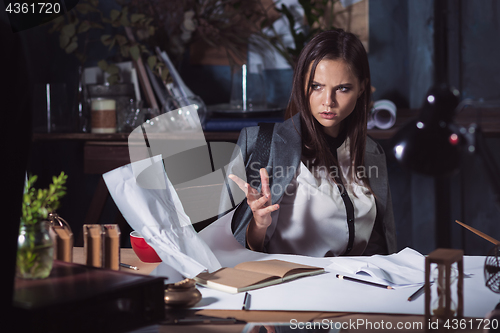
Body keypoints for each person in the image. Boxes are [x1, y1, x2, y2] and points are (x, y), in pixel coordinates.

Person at [223, 29, 397, 257]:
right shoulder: (263, 144)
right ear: (302, 85)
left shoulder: (371, 152)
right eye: (316, 86)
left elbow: (380, 241)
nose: (328, 101)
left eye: (343, 88)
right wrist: (259, 224)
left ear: (362, 87)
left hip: (358, 286)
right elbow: (235, 248)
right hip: (291, 286)